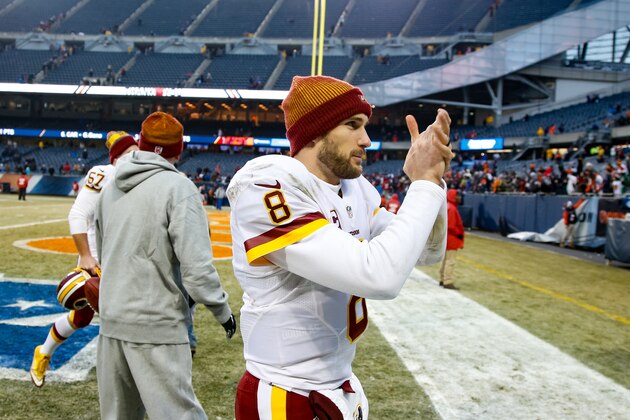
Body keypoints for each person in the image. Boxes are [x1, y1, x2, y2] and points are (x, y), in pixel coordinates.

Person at [227, 75, 452, 419]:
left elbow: (427, 251)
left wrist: (432, 181)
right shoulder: (266, 184)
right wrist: (422, 186)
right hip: (285, 391)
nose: (366, 139)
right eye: (353, 125)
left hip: (339, 382)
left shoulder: (356, 188)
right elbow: (379, 277)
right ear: (316, 130)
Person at [94, 111, 236, 420]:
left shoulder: (108, 190)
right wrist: (223, 313)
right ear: (178, 151)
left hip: (112, 321)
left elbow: (104, 255)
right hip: (156, 324)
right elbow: (197, 271)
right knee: (177, 414)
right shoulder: (179, 188)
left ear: (141, 143)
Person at [29, 131, 138, 387]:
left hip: (126, 259)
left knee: (116, 316)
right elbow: (77, 214)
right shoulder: (103, 173)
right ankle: (43, 352)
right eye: (132, 150)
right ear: (118, 157)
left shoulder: (142, 174)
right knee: (84, 318)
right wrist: (87, 256)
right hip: (99, 259)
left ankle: (129, 373)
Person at [440, 189, 464, 290]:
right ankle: (447, 281)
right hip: (452, 238)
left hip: (447, 238)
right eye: (457, 196)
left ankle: (442, 278)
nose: (460, 198)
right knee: (450, 261)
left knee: (446, 260)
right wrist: (459, 234)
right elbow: (451, 226)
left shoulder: (448, 206)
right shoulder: (452, 208)